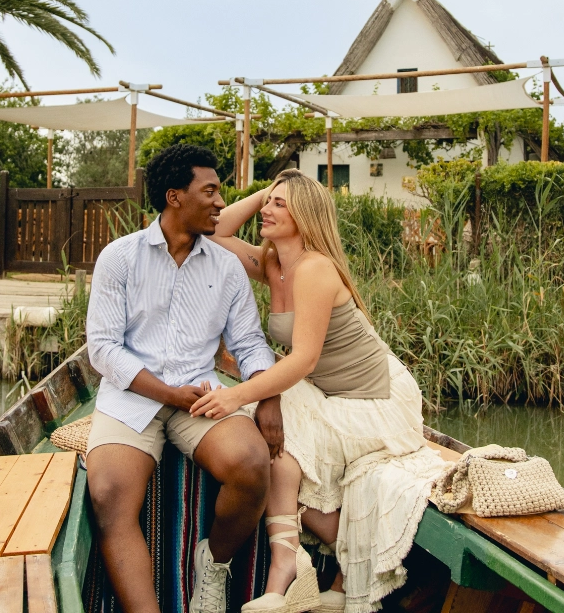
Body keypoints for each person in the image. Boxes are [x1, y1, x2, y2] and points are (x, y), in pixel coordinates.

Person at [190, 170, 448, 613]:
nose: (267, 210)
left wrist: (235, 395)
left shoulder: (315, 269)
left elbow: (303, 360)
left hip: (378, 399)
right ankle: (308, 570)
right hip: (331, 393)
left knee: (270, 425)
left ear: (306, 216)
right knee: (274, 434)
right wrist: (268, 189)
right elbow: (214, 231)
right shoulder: (274, 265)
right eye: (267, 203)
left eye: (280, 205)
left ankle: (290, 571)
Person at [84, 144, 281, 613]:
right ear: (174, 197)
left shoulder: (227, 267)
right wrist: (166, 391)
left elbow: (251, 344)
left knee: (253, 465)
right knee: (108, 492)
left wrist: (268, 398)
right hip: (134, 396)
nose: (219, 203)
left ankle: (211, 567)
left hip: (201, 396)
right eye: (210, 191)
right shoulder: (120, 258)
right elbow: (103, 349)